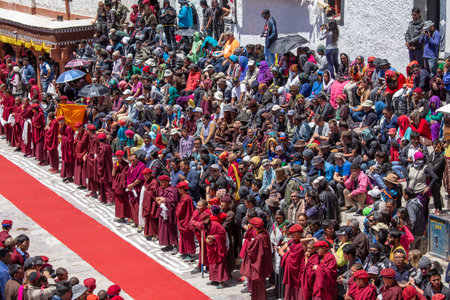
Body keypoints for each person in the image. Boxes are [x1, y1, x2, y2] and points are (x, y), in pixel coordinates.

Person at [240, 217, 273, 300]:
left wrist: (250, 244)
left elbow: (251, 251)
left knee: (258, 283)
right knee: (261, 282)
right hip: (264, 262)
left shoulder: (258, 238)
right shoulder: (265, 233)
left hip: (258, 263)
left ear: (254, 227)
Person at [201, 209, 230, 289]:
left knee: (220, 264)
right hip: (210, 248)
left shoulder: (216, 225)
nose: (205, 221)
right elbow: (204, 235)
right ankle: (214, 279)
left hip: (218, 247)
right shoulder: (204, 226)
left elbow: (222, 234)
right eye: (203, 220)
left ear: (209, 218)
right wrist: (206, 239)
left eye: (206, 219)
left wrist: (214, 237)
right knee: (212, 264)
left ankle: (222, 281)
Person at [279, 224, 305, 299]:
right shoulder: (291, 241)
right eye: (291, 233)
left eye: (294, 233)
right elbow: (281, 250)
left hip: (299, 270)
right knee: (290, 289)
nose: (292, 235)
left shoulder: (303, 242)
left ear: (300, 233)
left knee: (299, 290)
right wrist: (287, 257)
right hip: (290, 269)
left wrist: (289, 254)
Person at [176, 181, 196, 262]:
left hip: (186, 221)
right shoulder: (186, 197)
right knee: (183, 237)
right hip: (185, 220)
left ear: (183, 190)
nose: (179, 191)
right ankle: (184, 252)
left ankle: (190, 254)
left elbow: (179, 211)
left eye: (179, 189)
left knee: (188, 238)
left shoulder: (185, 199)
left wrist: (176, 208)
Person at [58, 116, 75, 183]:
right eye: (59, 121)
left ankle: (70, 177)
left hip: (69, 148)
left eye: (62, 121)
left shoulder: (68, 128)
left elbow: (70, 140)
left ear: (64, 121)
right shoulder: (62, 127)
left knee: (68, 161)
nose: (61, 123)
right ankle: (66, 176)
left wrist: (62, 137)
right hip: (64, 147)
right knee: (65, 161)